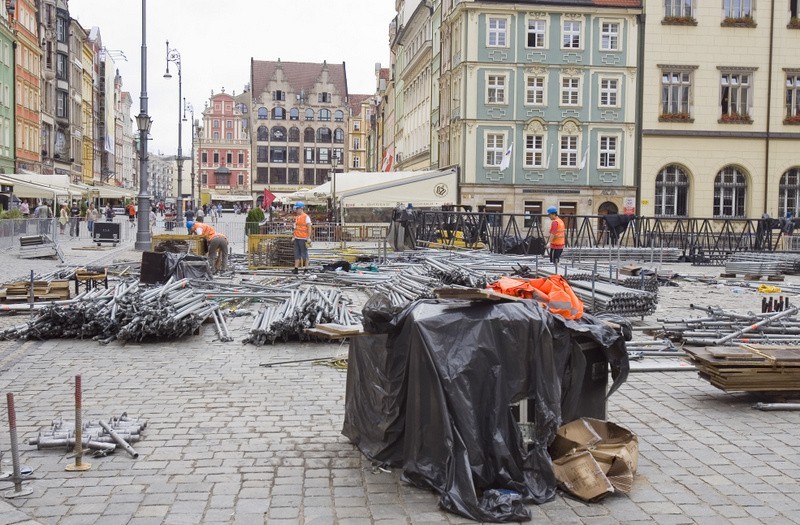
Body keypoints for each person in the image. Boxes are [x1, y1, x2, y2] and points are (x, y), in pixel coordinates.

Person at [292, 201, 312, 274]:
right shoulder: (297, 217)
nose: (296, 210)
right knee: (297, 254)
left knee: (304, 254)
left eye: (297, 209)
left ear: (301, 208)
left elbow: (309, 227)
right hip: (297, 238)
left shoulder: (306, 217)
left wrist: (308, 237)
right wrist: (294, 236)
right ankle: (296, 268)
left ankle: (306, 269)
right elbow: (296, 228)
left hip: (303, 238)